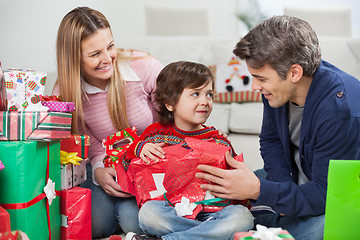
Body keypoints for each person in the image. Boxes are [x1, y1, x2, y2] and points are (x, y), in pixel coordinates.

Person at [195, 15, 360, 240]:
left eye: (261, 78)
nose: (255, 86)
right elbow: (270, 140)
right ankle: (265, 223)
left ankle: (258, 222)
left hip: (336, 197)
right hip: (298, 179)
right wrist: (280, 191)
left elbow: (326, 194)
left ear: (294, 73)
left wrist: (259, 191)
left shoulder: (339, 108)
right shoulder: (277, 90)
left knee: (324, 229)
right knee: (223, 187)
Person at [53, 7, 164, 238]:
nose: (107, 59)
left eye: (110, 46)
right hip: (106, 163)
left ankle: (124, 216)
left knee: (136, 222)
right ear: (74, 58)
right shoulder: (66, 93)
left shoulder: (144, 67)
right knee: (94, 226)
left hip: (150, 163)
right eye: (95, 54)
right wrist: (101, 172)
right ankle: (116, 213)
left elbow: (173, 120)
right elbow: (90, 145)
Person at [122, 61, 254, 240]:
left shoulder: (218, 140)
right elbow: (128, 159)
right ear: (170, 103)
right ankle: (210, 235)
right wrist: (140, 148)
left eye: (209, 94)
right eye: (195, 94)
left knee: (242, 217)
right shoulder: (154, 133)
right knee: (149, 213)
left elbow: (236, 180)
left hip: (213, 212)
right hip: (172, 211)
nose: (205, 101)